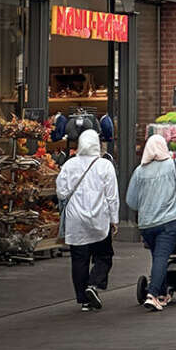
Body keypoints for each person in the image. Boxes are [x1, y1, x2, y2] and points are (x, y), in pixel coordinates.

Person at [126, 134, 176, 311]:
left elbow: (131, 201)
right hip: (169, 222)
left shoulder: (139, 171)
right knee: (162, 257)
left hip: (147, 224)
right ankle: (153, 293)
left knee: (158, 257)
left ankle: (162, 293)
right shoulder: (174, 166)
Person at [56, 129, 120, 311]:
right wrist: (114, 219)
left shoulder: (69, 165)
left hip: (75, 219)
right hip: (99, 218)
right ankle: (93, 284)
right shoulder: (104, 165)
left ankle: (83, 299)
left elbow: (61, 192)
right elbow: (112, 196)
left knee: (79, 259)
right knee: (104, 256)